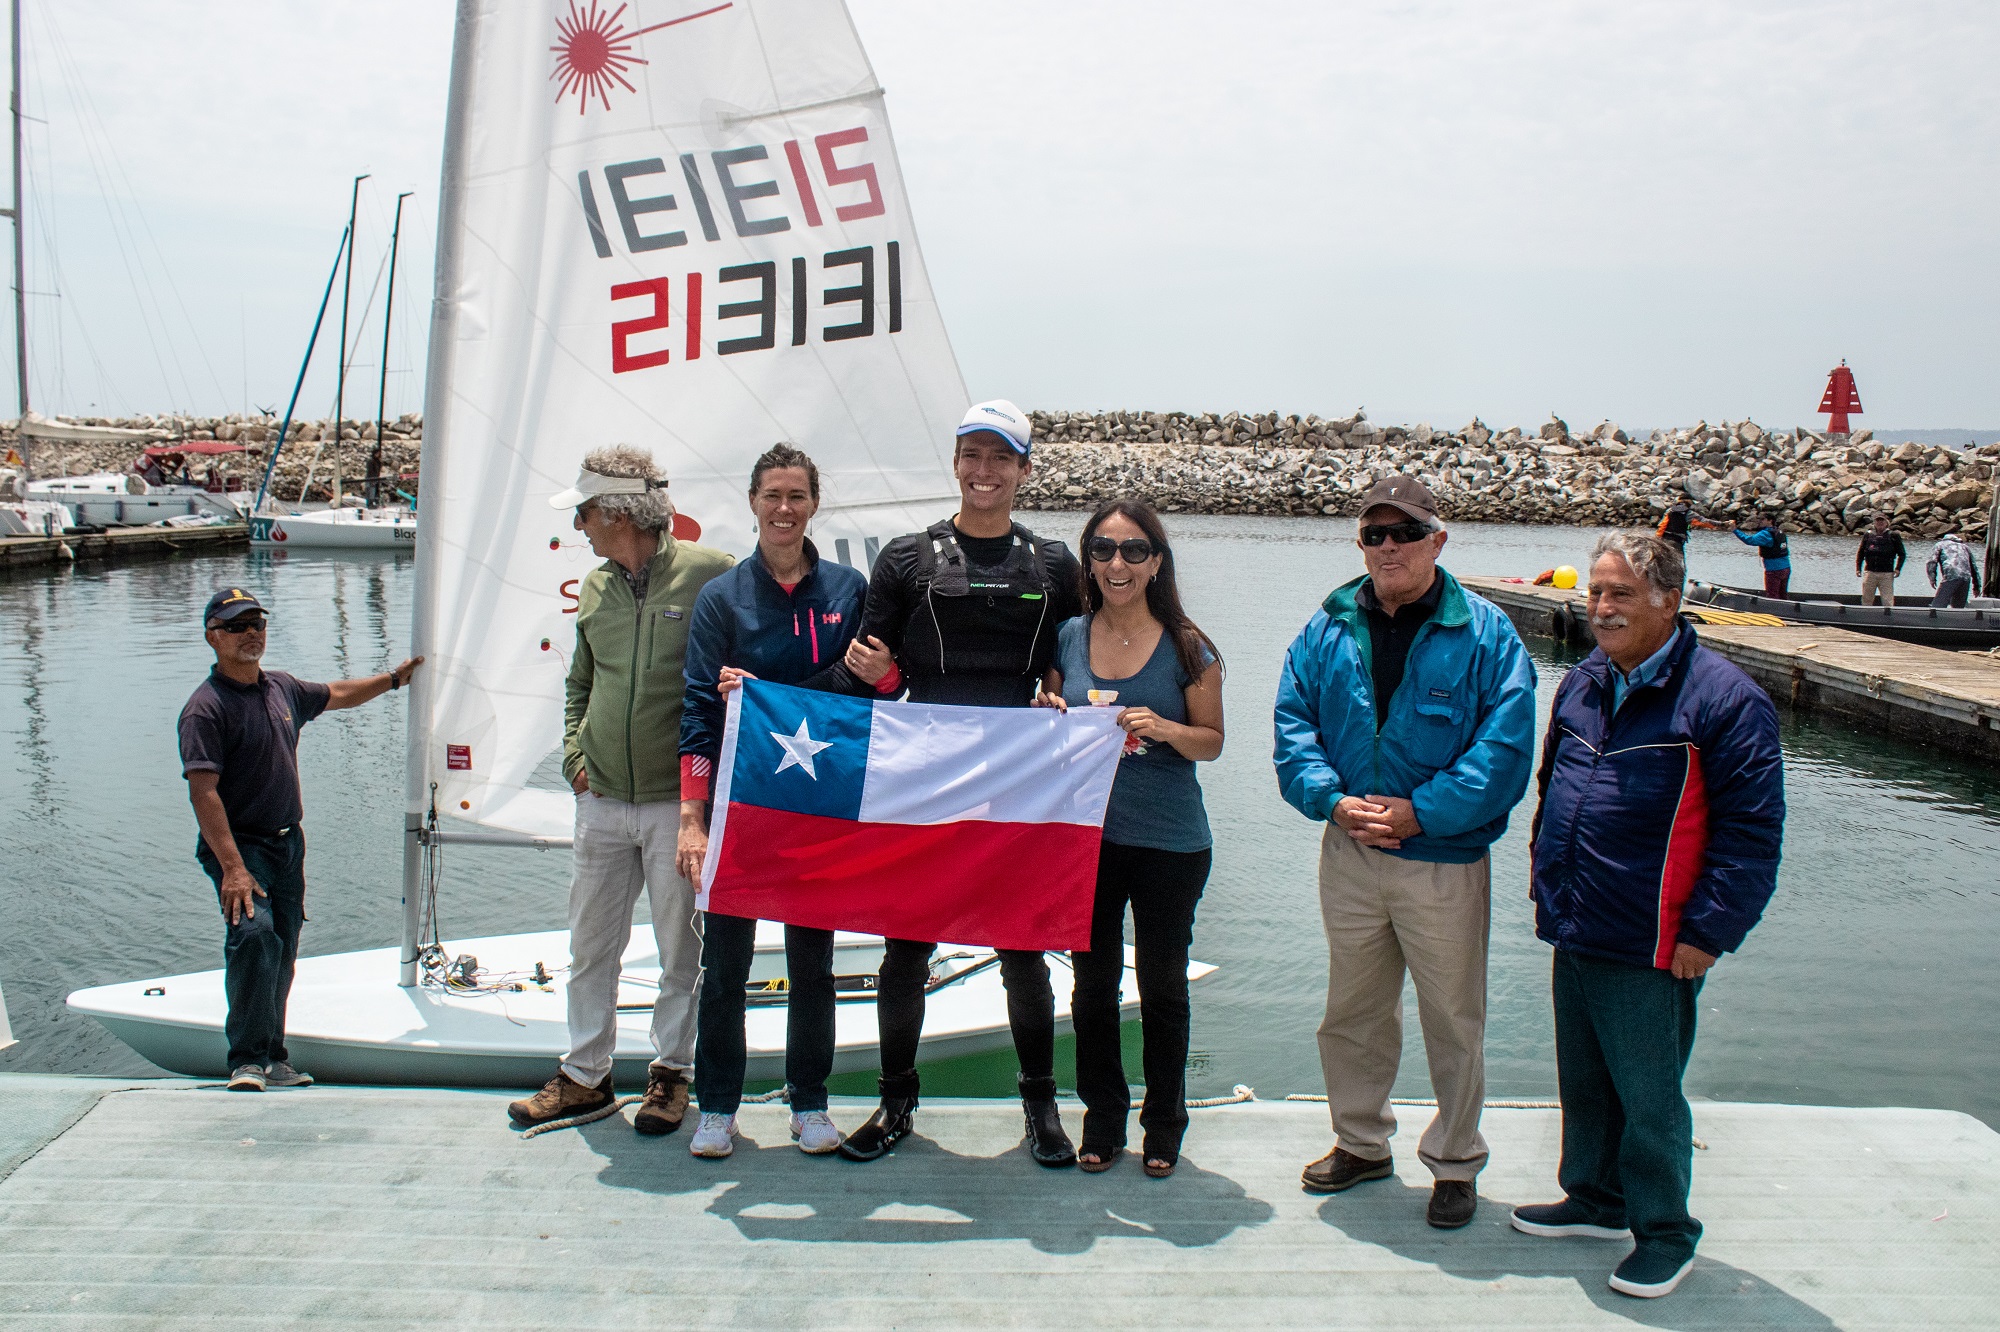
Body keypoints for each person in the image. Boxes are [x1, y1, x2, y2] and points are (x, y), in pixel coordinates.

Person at [1515, 532, 1783, 1300]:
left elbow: (1752, 833)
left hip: (1657, 937)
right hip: (1578, 919)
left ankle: (1665, 1230)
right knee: (1587, 1079)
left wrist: (1709, 932)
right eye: (1596, 591)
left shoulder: (1725, 700)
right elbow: (1551, 790)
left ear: (1669, 598)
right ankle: (1596, 1198)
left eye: (1620, 594)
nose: (1600, 608)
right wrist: (1546, 883)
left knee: (1650, 1095)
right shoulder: (1584, 683)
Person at [817, 398, 1085, 1166]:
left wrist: (1067, 689)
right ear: (956, 463)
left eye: (1001, 457)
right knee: (906, 953)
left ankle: (1041, 1110)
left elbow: (1079, 660)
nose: (984, 471)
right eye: (972, 455)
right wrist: (762, 695)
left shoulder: (1055, 565)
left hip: (1018, 783)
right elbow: (864, 671)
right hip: (925, 781)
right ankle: (895, 1103)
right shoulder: (906, 559)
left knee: (1022, 952)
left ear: (1024, 470)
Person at [1274, 476, 1538, 1230]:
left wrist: (1420, 813)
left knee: (1454, 1017)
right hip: (1349, 851)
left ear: (1438, 541)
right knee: (1351, 1010)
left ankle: (1455, 1162)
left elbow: (1506, 750)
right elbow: (1293, 722)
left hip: (1444, 861)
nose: (1387, 547)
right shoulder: (1326, 626)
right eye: (1373, 534)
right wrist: (1331, 799)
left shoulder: (1488, 635)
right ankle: (1360, 1143)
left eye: (1404, 533)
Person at [507, 447, 734, 1132]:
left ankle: (671, 1077)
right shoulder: (596, 588)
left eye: (584, 512)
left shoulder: (712, 575)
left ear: (616, 512)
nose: (579, 525)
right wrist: (576, 755)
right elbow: (580, 682)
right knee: (589, 948)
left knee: (680, 951)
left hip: (678, 804)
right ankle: (585, 1078)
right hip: (600, 799)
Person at [675, 443, 880, 1159]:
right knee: (724, 968)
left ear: (814, 503)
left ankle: (811, 1104)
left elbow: (874, 693)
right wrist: (692, 819)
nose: (784, 509)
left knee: (813, 966)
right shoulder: (721, 599)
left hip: (820, 809)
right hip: (742, 807)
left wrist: (780, 695)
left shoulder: (850, 590)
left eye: (797, 495)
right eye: (772, 496)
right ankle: (718, 1108)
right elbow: (698, 714)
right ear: (753, 502)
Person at [1035, 499, 1224, 1179]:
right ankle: (1103, 1119)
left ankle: (1166, 1124)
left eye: (1134, 550)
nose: (1118, 563)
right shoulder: (1066, 638)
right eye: (1105, 550)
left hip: (1171, 844)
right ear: (1088, 560)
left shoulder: (1189, 646)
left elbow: (1212, 744)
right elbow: (1049, 728)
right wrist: (1048, 712)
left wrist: (1166, 728)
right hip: (1088, 843)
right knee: (1092, 987)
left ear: (1156, 563)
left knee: (1164, 987)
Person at [177, 588, 421, 1092]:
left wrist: (395, 679)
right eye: (237, 626)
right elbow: (204, 793)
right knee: (254, 938)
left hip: (288, 843)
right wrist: (233, 868)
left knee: (283, 949)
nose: (251, 633)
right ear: (212, 638)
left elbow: (338, 693)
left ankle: (274, 1058)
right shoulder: (205, 709)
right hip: (240, 848)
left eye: (257, 623)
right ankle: (246, 1060)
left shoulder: (281, 689)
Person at [1728, 514, 1791, 597]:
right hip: (1786, 568)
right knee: (1782, 594)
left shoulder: (1765, 534)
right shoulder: (1779, 532)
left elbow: (1749, 540)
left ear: (1770, 521)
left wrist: (1735, 530)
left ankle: (1772, 609)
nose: (1760, 521)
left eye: (1763, 519)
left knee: (1772, 595)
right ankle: (1784, 607)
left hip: (1774, 570)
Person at [1854, 514, 1907, 606]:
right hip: (1870, 572)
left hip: (1886, 574)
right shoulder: (1868, 535)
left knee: (1887, 600)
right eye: (1877, 521)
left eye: (1882, 521)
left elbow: (1902, 554)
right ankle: (1866, 616)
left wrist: (1898, 568)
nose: (1880, 523)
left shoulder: (1893, 536)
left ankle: (1888, 617)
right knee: (1867, 599)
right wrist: (1858, 568)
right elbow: (1861, 552)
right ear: (1874, 523)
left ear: (1886, 523)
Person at [1926, 531, 1983, 607]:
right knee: (1958, 606)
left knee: (1938, 604)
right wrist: (1977, 586)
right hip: (1966, 577)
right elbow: (1974, 568)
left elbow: (1931, 562)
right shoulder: (1965, 547)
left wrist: (1932, 578)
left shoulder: (1940, 545)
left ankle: (1933, 617)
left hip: (1951, 575)